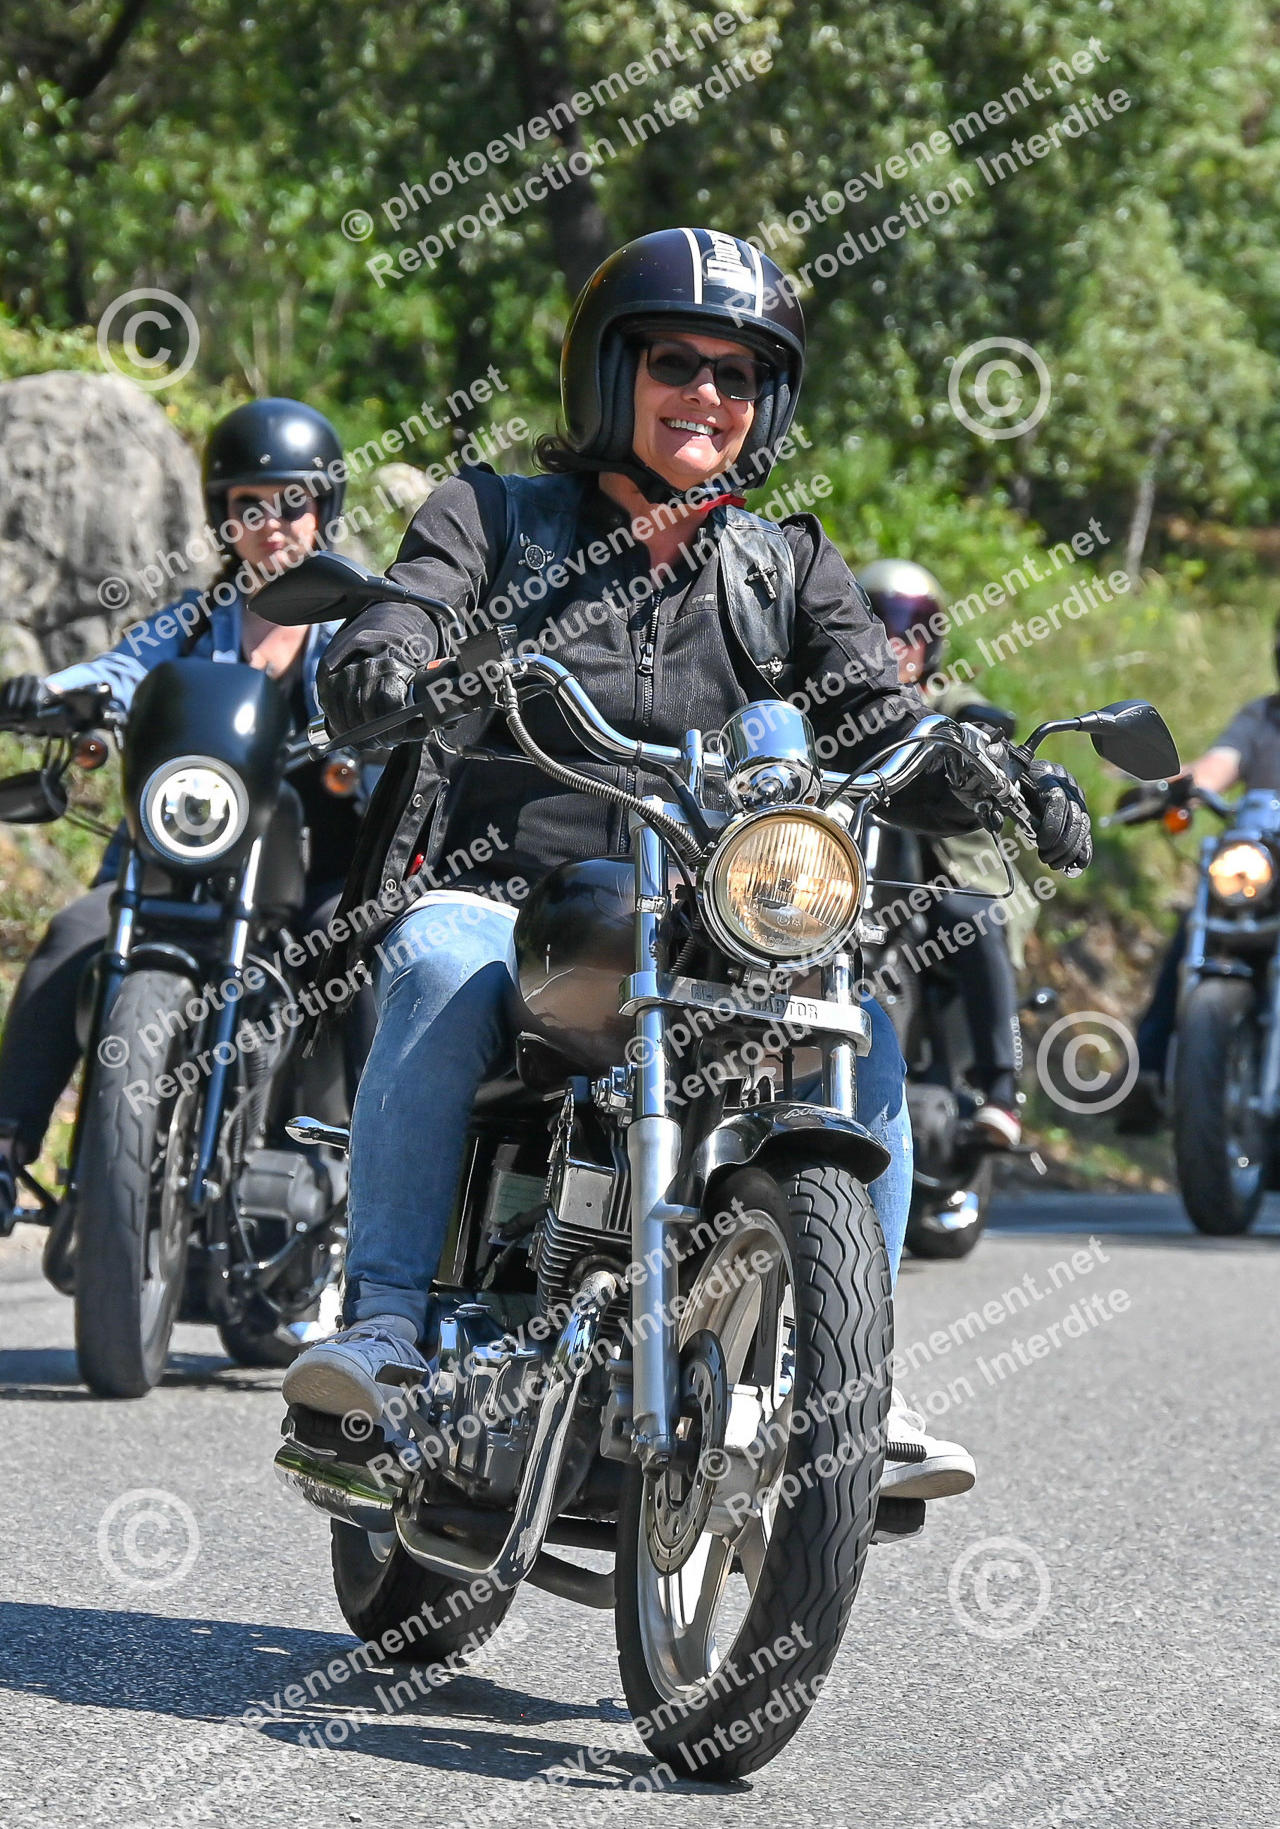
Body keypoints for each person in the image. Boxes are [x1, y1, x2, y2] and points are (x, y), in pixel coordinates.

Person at [282, 228, 1091, 1503]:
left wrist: (1003, 780)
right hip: (515, 910)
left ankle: (848, 1384)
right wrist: (384, 658)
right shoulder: (492, 517)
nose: (705, 394)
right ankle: (382, 1324)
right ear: (610, 373)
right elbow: (416, 601)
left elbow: (877, 722)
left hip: (721, 927)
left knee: (862, 1031)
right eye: (675, 362)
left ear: (768, 400)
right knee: (436, 957)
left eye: (736, 372)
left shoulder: (787, 569)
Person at [0, 397, 372, 1245]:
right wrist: (52, 696)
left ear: (324, 507)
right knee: (73, 933)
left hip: (315, 875)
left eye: (292, 502)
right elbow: (119, 670)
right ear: (222, 517)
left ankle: (378, 1191)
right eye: (249, 505)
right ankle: (9, 1144)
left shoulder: (359, 620)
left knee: (369, 961)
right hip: (181, 869)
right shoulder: (196, 621)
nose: (271, 524)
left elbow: (405, 682)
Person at [857, 558, 1037, 1148]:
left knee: (971, 918)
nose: (896, 643)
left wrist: (982, 739)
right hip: (849, 877)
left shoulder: (946, 702)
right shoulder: (835, 705)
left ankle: (1001, 1090)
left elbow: (979, 724)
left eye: (911, 630)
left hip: (948, 880)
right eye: (880, 624)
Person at [1122, 648, 1280, 1132]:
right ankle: (1148, 1072)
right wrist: (1171, 788)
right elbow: (1218, 765)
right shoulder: (1264, 716)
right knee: (1199, 928)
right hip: (1266, 871)